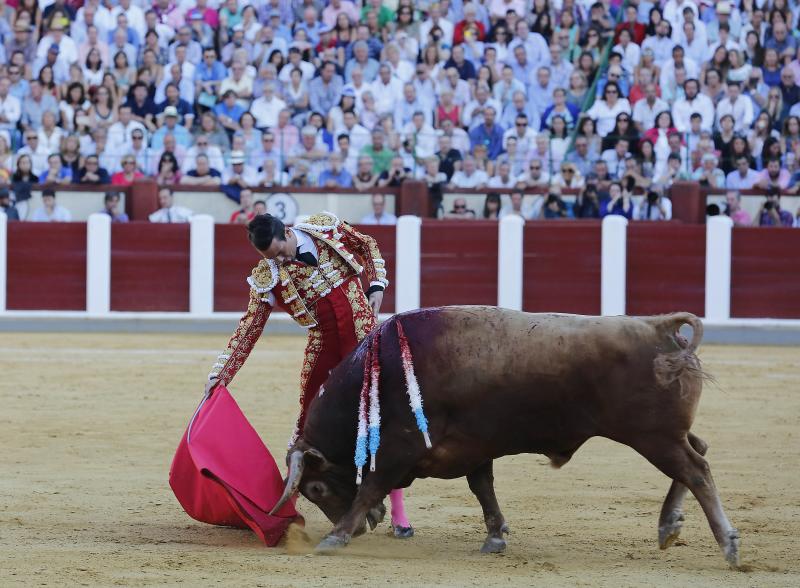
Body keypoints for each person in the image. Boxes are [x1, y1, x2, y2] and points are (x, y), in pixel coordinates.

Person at [204, 212, 414, 537]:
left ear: (287, 231)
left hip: (364, 336)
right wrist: (222, 373)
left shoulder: (322, 226)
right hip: (324, 347)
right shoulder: (268, 276)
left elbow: (366, 244)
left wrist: (376, 284)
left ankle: (400, 515)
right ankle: (285, 509)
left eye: (281, 251)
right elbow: (249, 328)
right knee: (308, 427)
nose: (282, 260)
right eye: (272, 258)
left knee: (382, 416)